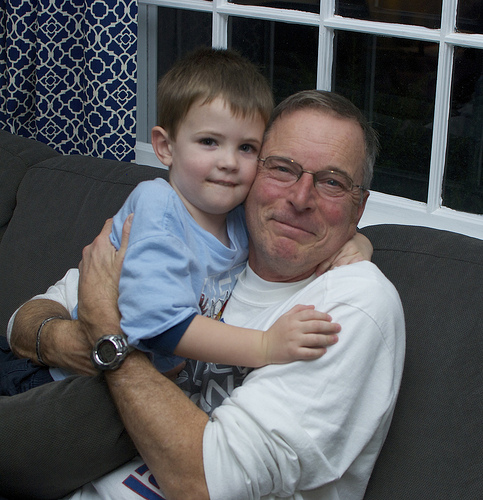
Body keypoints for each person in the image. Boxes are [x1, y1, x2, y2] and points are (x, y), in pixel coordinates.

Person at [5, 90, 404, 500]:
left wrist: (110, 336)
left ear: (359, 207)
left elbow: (203, 487)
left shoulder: (353, 301)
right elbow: (24, 323)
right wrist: (73, 337)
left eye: (333, 182)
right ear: (252, 173)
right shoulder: (209, 233)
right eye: (282, 169)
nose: (301, 199)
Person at [2, 48, 342, 394]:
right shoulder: (158, 206)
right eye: (209, 141)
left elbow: (296, 225)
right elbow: (159, 326)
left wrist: (353, 242)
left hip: (135, 390)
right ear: (165, 147)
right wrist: (265, 345)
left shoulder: (240, 218)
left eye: (246, 148)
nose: (229, 162)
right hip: (54, 383)